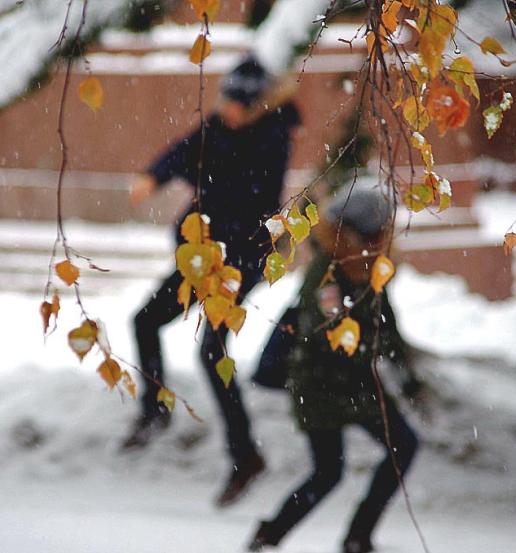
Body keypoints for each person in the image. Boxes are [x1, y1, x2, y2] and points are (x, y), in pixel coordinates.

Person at [123, 55, 301, 508]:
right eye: (227, 99)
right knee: (145, 321)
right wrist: (153, 175)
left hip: (240, 260)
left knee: (210, 351)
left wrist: (193, 177)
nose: (229, 109)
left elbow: (237, 187)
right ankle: (155, 410)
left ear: (259, 104)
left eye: (239, 103)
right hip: (203, 257)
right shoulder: (224, 130)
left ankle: (246, 457)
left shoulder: (271, 138)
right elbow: (185, 149)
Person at [247, 186, 420, 553]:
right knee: (328, 473)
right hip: (319, 385)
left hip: (358, 385)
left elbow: (386, 324)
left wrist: (404, 369)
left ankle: (358, 535)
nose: (384, 237)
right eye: (378, 231)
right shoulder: (326, 273)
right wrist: (368, 349)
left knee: (403, 446)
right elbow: (322, 334)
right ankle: (269, 535)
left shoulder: (371, 269)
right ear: (357, 233)